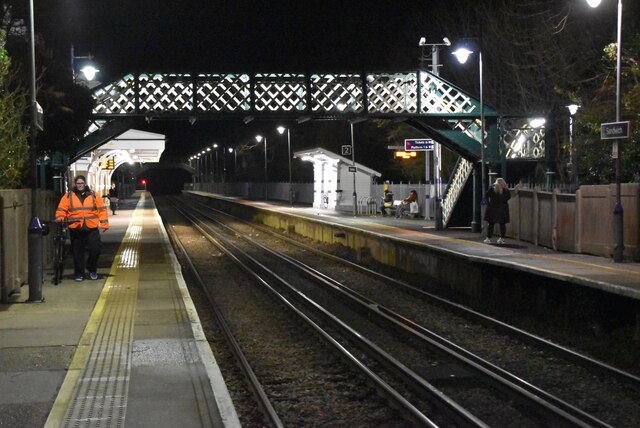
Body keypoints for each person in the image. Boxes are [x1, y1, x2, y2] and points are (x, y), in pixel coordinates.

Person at [55, 176, 109, 281]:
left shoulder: (94, 195)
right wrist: (60, 218)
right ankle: (79, 272)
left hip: (91, 227)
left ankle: (91, 268)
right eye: (78, 183)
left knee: (95, 250)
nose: (80, 185)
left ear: (85, 183)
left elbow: (102, 210)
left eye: (82, 183)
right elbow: (61, 209)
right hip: (76, 227)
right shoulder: (68, 196)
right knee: (77, 253)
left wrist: (104, 223)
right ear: (75, 184)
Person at [484, 177, 510, 244]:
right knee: (502, 224)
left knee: (491, 224)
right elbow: (508, 198)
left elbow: (486, 195)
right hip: (503, 209)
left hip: (492, 209)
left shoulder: (492, 189)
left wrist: (489, 202)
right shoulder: (506, 190)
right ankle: (502, 239)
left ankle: (488, 238)